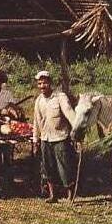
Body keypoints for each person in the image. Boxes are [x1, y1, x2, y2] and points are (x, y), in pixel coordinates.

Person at [32, 70, 77, 203]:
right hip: (45, 138)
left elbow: (70, 114)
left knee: (64, 167)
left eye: (44, 83)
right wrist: (36, 140)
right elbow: (36, 121)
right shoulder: (39, 100)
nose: (42, 86)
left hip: (60, 137)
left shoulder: (60, 97)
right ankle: (53, 195)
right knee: (48, 167)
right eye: (39, 84)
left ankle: (70, 195)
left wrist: (77, 131)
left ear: (50, 83)